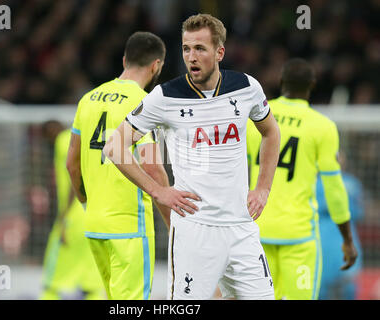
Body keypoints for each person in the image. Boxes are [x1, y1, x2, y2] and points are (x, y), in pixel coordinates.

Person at [104, 13, 281, 300]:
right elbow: (114, 147)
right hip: (194, 230)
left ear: (219, 52)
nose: (191, 56)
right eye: (186, 49)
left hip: (241, 227)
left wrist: (263, 188)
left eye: (200, 48)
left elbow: (271, 133)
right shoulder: (165, 96)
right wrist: (159, 191)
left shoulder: (247, 87)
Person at [67, 31, 171, 300]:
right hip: (129, 227)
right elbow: (152, 167)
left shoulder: (88, 99)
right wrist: (173, 222)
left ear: (124, 60)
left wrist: (86, 204)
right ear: (156, 65)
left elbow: (71, 164)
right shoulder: (144, 103)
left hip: (94, 225)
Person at [246, 58, 358, 300]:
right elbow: (334, 188)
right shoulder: (322, 126)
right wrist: (347, 239)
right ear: (313, 85)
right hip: (298, 236)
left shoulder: (255, 116)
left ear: (281, 81)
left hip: (256, 228)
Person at [40, 121, 105, 300]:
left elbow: (74, 171)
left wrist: (63, 217)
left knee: (52, 281)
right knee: (91, 283)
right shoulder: (90, 140)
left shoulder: (64, 139)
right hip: (94, 214)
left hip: (73, 215)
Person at [317, 151, 364, 300]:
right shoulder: (351, 184)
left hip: (331, 236)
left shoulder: (315, 183)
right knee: (341, 285)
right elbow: (359, 212)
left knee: (332, 285)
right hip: (336, 236)